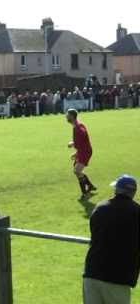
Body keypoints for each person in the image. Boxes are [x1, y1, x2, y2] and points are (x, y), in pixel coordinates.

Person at [83, 175, 140, 304]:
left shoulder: (100, 207)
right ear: (133, 192)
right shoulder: (137, 212)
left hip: (92, 273)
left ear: (116, 190)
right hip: (118, 278)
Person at [66, 109, 96, 200]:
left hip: (85, 151)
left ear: (72, 116)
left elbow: (81, 137)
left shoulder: (78, 127)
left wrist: (73, 144)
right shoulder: (77, 125)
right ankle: (90, 186)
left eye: (67, 115)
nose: (66, 117)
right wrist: (76, 152)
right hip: (82, 150)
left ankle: (85, 193)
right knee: (76, 167)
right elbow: (82, 141)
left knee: (77, 171)